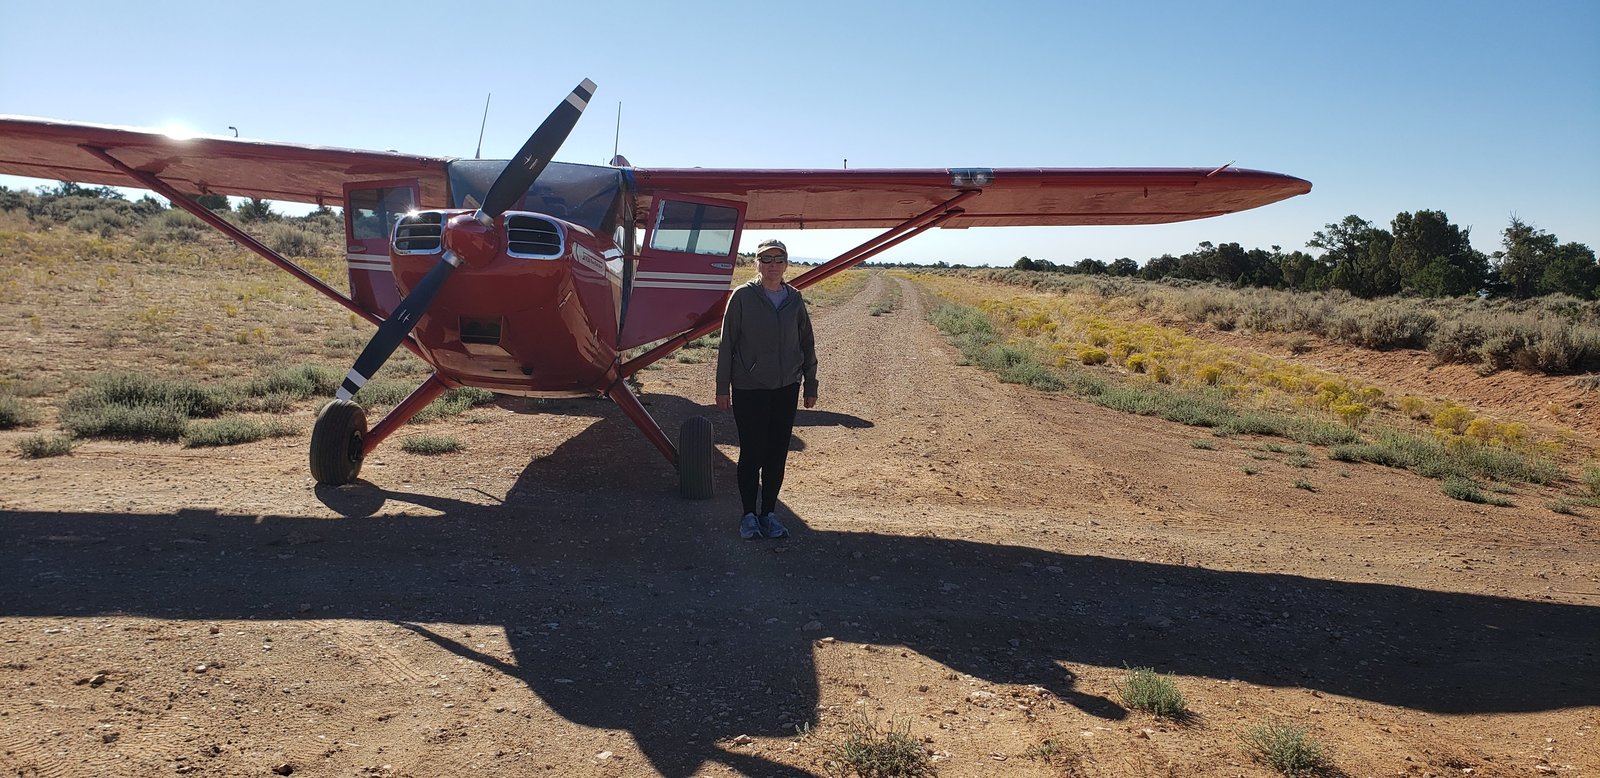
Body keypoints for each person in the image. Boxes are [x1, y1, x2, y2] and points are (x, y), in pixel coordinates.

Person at [716, 239, 819, 539]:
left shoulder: (795, 299)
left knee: (776, 454)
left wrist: (810, 383)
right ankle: (748, 515)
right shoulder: (742, 297)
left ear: (786, 264)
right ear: (756, 263)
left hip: (786, 387)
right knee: (752, 453)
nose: (773, 265)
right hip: (750, 388)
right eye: (766, 259)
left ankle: (769, 514)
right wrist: (723, 387)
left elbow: (807, 343)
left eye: (779, 259)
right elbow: (727, 345)